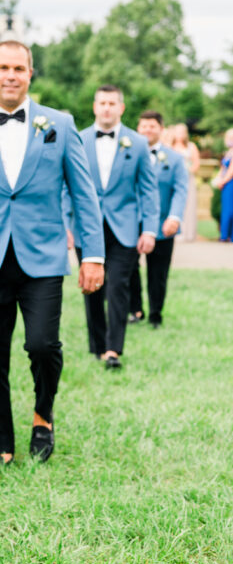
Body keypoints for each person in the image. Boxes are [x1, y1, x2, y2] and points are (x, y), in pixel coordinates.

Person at [0, 40, 104, 468]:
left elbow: (83, 192)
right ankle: (0, 444)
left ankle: (43, 414)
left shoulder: (60, 124)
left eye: (19, 67)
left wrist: (92, 254)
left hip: (44, 259)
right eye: (4, 67)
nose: (11, 75)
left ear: (30, 73)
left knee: (42, 344)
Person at [72, 85, 159, 370]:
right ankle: (97, 345)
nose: (107, 108)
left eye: (112, 103)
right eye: (102, 103)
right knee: (92, 286)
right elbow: (65, 186)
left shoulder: (137, 142)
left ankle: (113, 349)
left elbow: (149, 189)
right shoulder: (77, 139)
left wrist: (149, 229)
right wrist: (65, 224)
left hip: (124, 229)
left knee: (118, 286)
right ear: (94, 106)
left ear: (121, 108)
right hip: (86, 226)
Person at [127, 111, 189, 327]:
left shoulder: (175, 159)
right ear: (137, 129)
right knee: (129, 269)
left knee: (158, 272)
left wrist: (174, 217)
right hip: (130, 224)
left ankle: (155, 313)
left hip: (163, 225)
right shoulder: (127, 155)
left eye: (152, 126)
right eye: (143, 126)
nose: (147, 130)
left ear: (162, 130)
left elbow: (181, 190)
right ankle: (135, 310)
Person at [167, 122, 200, 242]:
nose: (180, 134)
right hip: (171, 179)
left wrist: (187, 172)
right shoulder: (169, 146)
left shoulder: (191, 146)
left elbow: (196, 163)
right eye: (178, 131)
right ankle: (173, 230)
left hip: (188, 178)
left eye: (182, 132)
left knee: (189, 204)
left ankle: (188, 233)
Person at [212, 128, 233, 242]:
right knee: (226, 209)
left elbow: (231, 171)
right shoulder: (228, 152)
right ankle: (225, 234)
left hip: (230, 183)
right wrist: (218, 179)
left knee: (230, 210)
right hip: (225, 183)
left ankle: (228, 235)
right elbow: (223, 168)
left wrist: (223, 181)